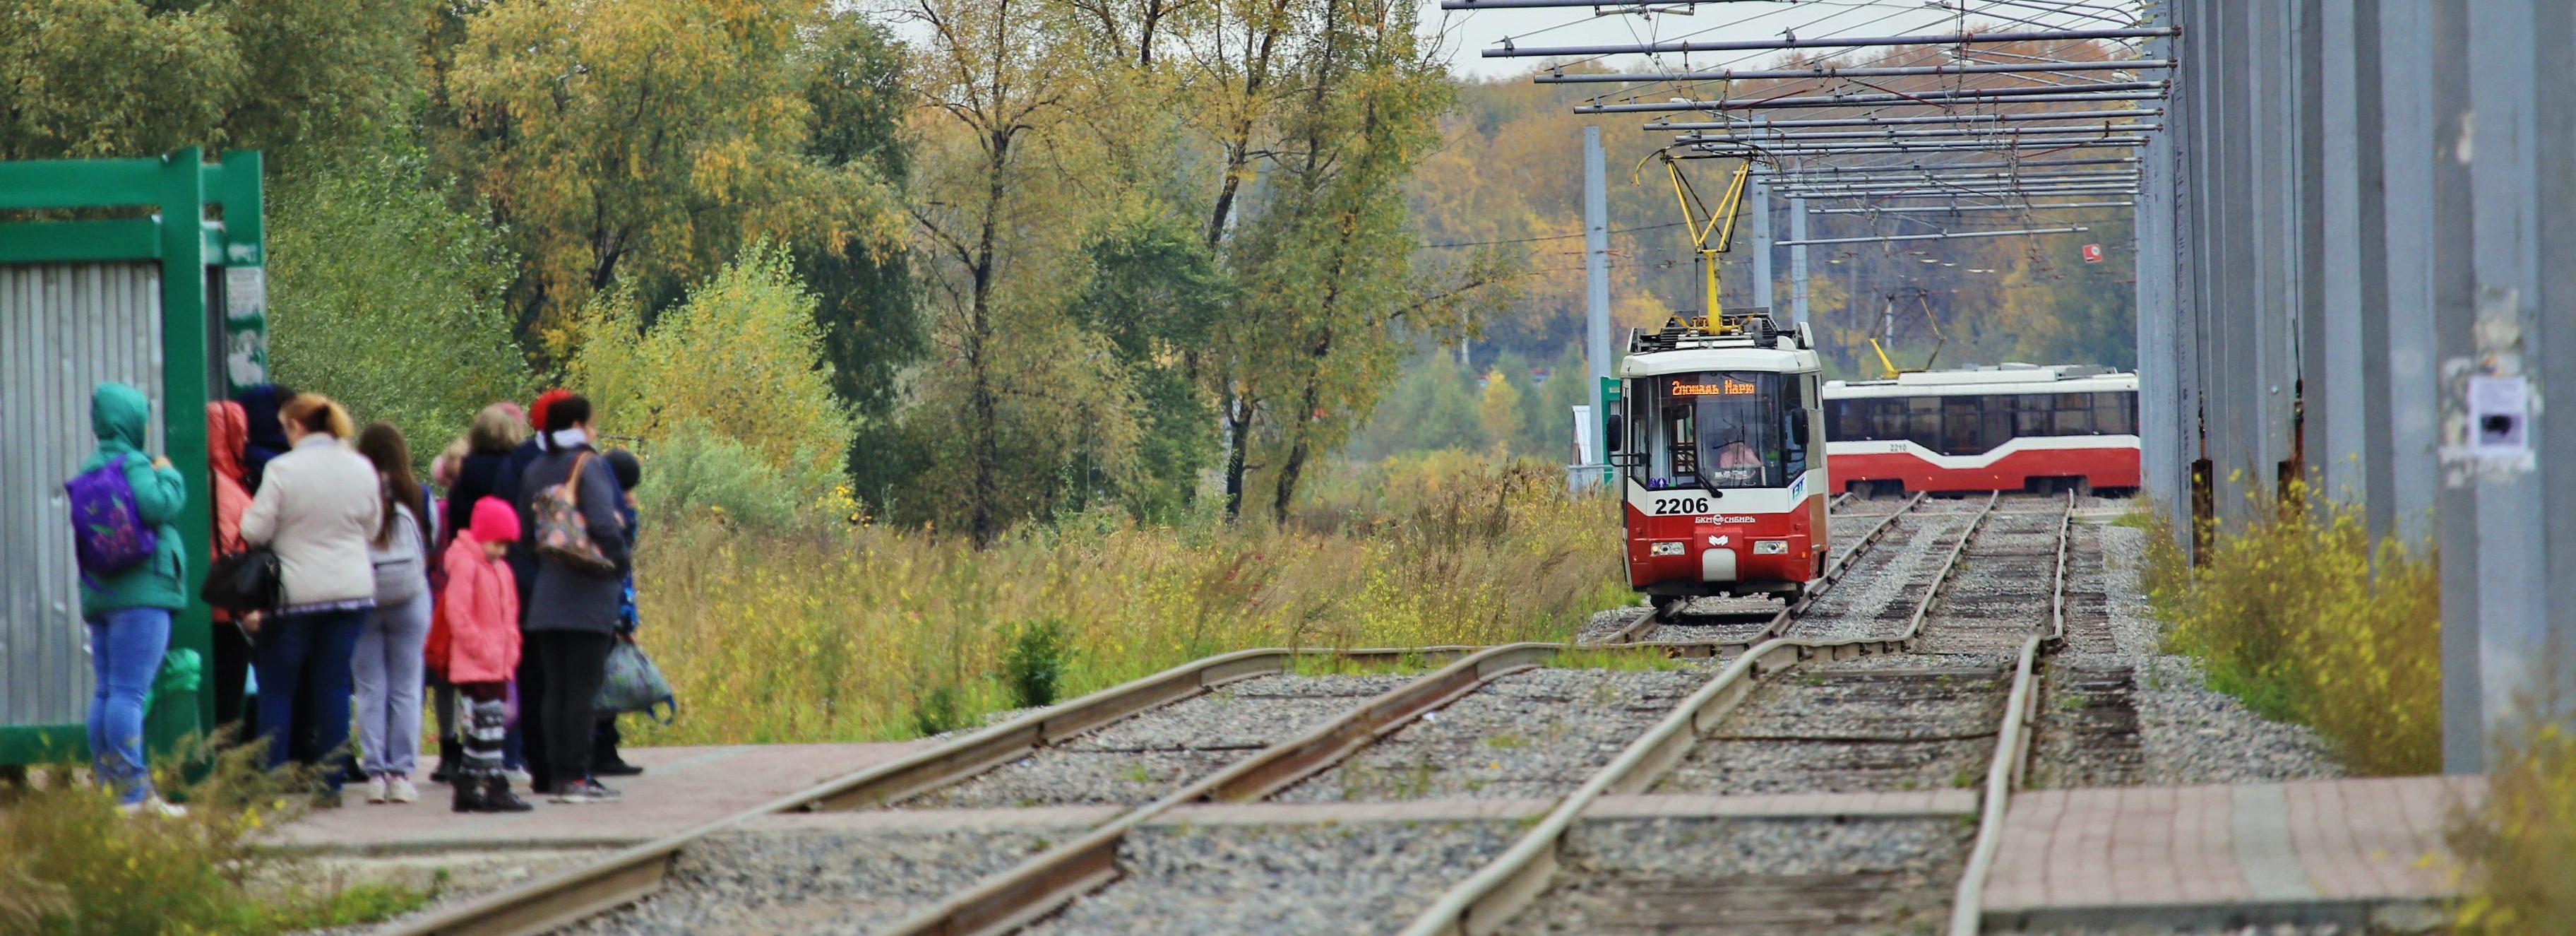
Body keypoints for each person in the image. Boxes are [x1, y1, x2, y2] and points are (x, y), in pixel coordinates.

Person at [239, 394, 381, 802]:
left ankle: (272, 780)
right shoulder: (361, 467)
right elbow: (372, 528)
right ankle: (330, 781)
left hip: (295, 595)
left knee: (278, 687)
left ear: (297, 428)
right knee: (334, 685)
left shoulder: (282, 469)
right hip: (352, 592)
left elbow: (255, 530)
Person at [75, 382, 189, 817]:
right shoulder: (135, 463)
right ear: (132, 421)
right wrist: (168, 472)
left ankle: (110, 788)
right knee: (129, 693)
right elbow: (159, 506)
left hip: (102, 593)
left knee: (107, 692)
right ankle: (133, 795)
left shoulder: (92, 466)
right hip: (142, 592)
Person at [515, 394, 631, 802]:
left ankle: (556, 773)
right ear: (581, 424)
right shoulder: (589, 464)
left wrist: (549, 562)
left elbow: (525, 536)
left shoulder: (535, 468)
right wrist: (618, 560)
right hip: (588, 594)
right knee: (582, 690)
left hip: (547, 594)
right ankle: (576, 776)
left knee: (555, 689)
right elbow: (602, 522)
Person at [353, 422, 434, 805]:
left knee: (370, 687)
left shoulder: (356, 495)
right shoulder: (419, 496)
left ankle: (375, 773)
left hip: (364, 597)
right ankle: (401, 774)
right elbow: (431, 543)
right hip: (410, 596)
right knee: (406, 686)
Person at [441, 497, 533, 812]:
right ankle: (495, 784)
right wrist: (480, 646)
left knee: (484, 725)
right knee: (490, 722)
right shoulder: (467, 565)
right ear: (483, 535)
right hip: (476, 660)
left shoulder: (500, 569)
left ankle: (467, 783)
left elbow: (509, 614)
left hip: (497, 660)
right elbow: (458, 612)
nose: (502, 551)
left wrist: (511, 644)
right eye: (498, 543)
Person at [501, 389, 571, 786]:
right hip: (551, 577)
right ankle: (558, 761)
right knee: (556, 672)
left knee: (533, 672)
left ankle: (539, 759)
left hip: (525, 576)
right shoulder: (573, 462)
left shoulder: (519, 460)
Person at [590, 448, 645, 778]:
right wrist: (626, 619)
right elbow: (621, 566)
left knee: (599, 678)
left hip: (599, 605)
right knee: (606, 681)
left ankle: (600, 748)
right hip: (612, 606)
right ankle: (603, 750)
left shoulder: (597, 505)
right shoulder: (618, 516)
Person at [206, 400, 257, 739]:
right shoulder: (224, 488)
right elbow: (225, 553)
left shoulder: (209, 479)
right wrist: (244, 608)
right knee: (227, 700)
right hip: (228, 612)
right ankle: (224, 774)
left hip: (211, 607)